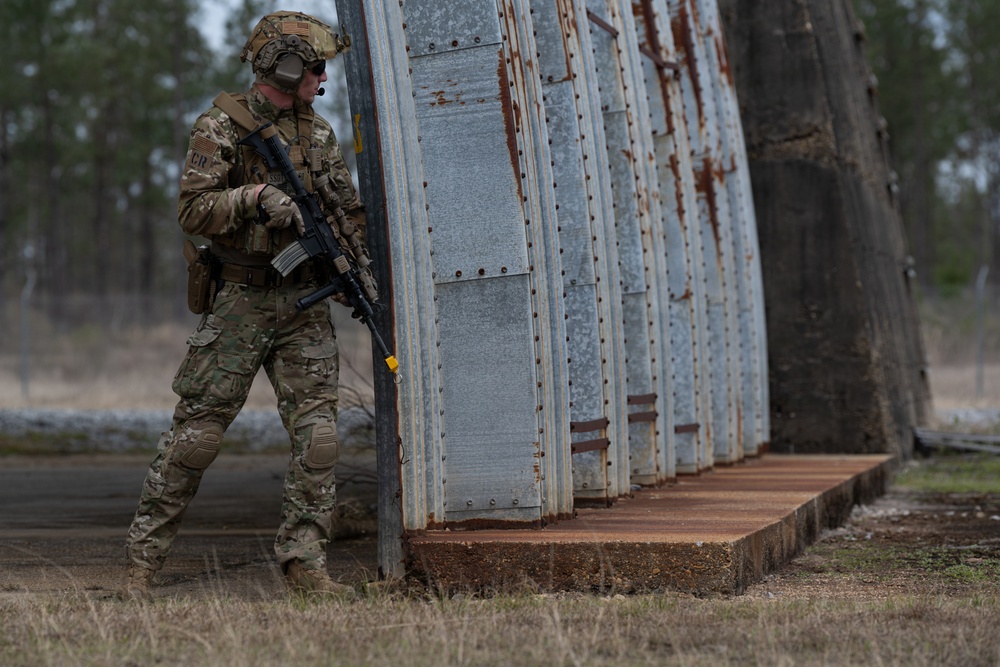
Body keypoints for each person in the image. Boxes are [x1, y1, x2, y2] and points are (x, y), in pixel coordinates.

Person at [121, 10, 363, 602]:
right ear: (282, 65)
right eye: (314, 67)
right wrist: (254, 197)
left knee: (319, 439)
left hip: (303, 303)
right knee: (195, 438)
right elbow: (192, 210)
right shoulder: (220, 126)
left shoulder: (320, 134)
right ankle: (141, 566)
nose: (322, 79)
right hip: (241, 302)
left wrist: (360, 269)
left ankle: (304, 562)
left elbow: (346, 214)